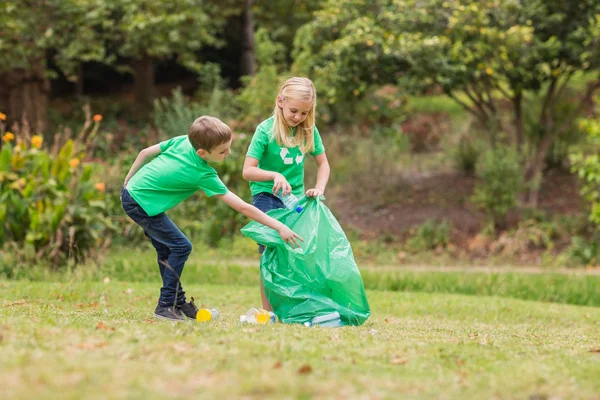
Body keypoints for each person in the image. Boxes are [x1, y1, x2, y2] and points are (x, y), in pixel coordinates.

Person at [121, 116, 303, 321]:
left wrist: (129, 179)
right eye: (223, 151)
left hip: (134, 195)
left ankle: (176, 302)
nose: (228, 153)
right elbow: (243, 207)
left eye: (229, 147)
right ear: (202, 152)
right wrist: (279, 227)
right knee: (181, 247)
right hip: (139, 204)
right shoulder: (203, 174)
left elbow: (145, 153)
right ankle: (165, 306)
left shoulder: (184, 141)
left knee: (168, 249)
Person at [242, 77, 330, 311]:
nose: (298, 117)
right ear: (280, 101)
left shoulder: (309, 131)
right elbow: (247, 171)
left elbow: (323, 165)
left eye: (304, 113)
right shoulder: (265, 130)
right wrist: (273, 175)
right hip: (266, 197)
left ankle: (292, 307)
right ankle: (267, 312)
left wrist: (318, 190)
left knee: (295, 253)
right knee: (270, 251)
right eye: (294, 111)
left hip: (296, 201)